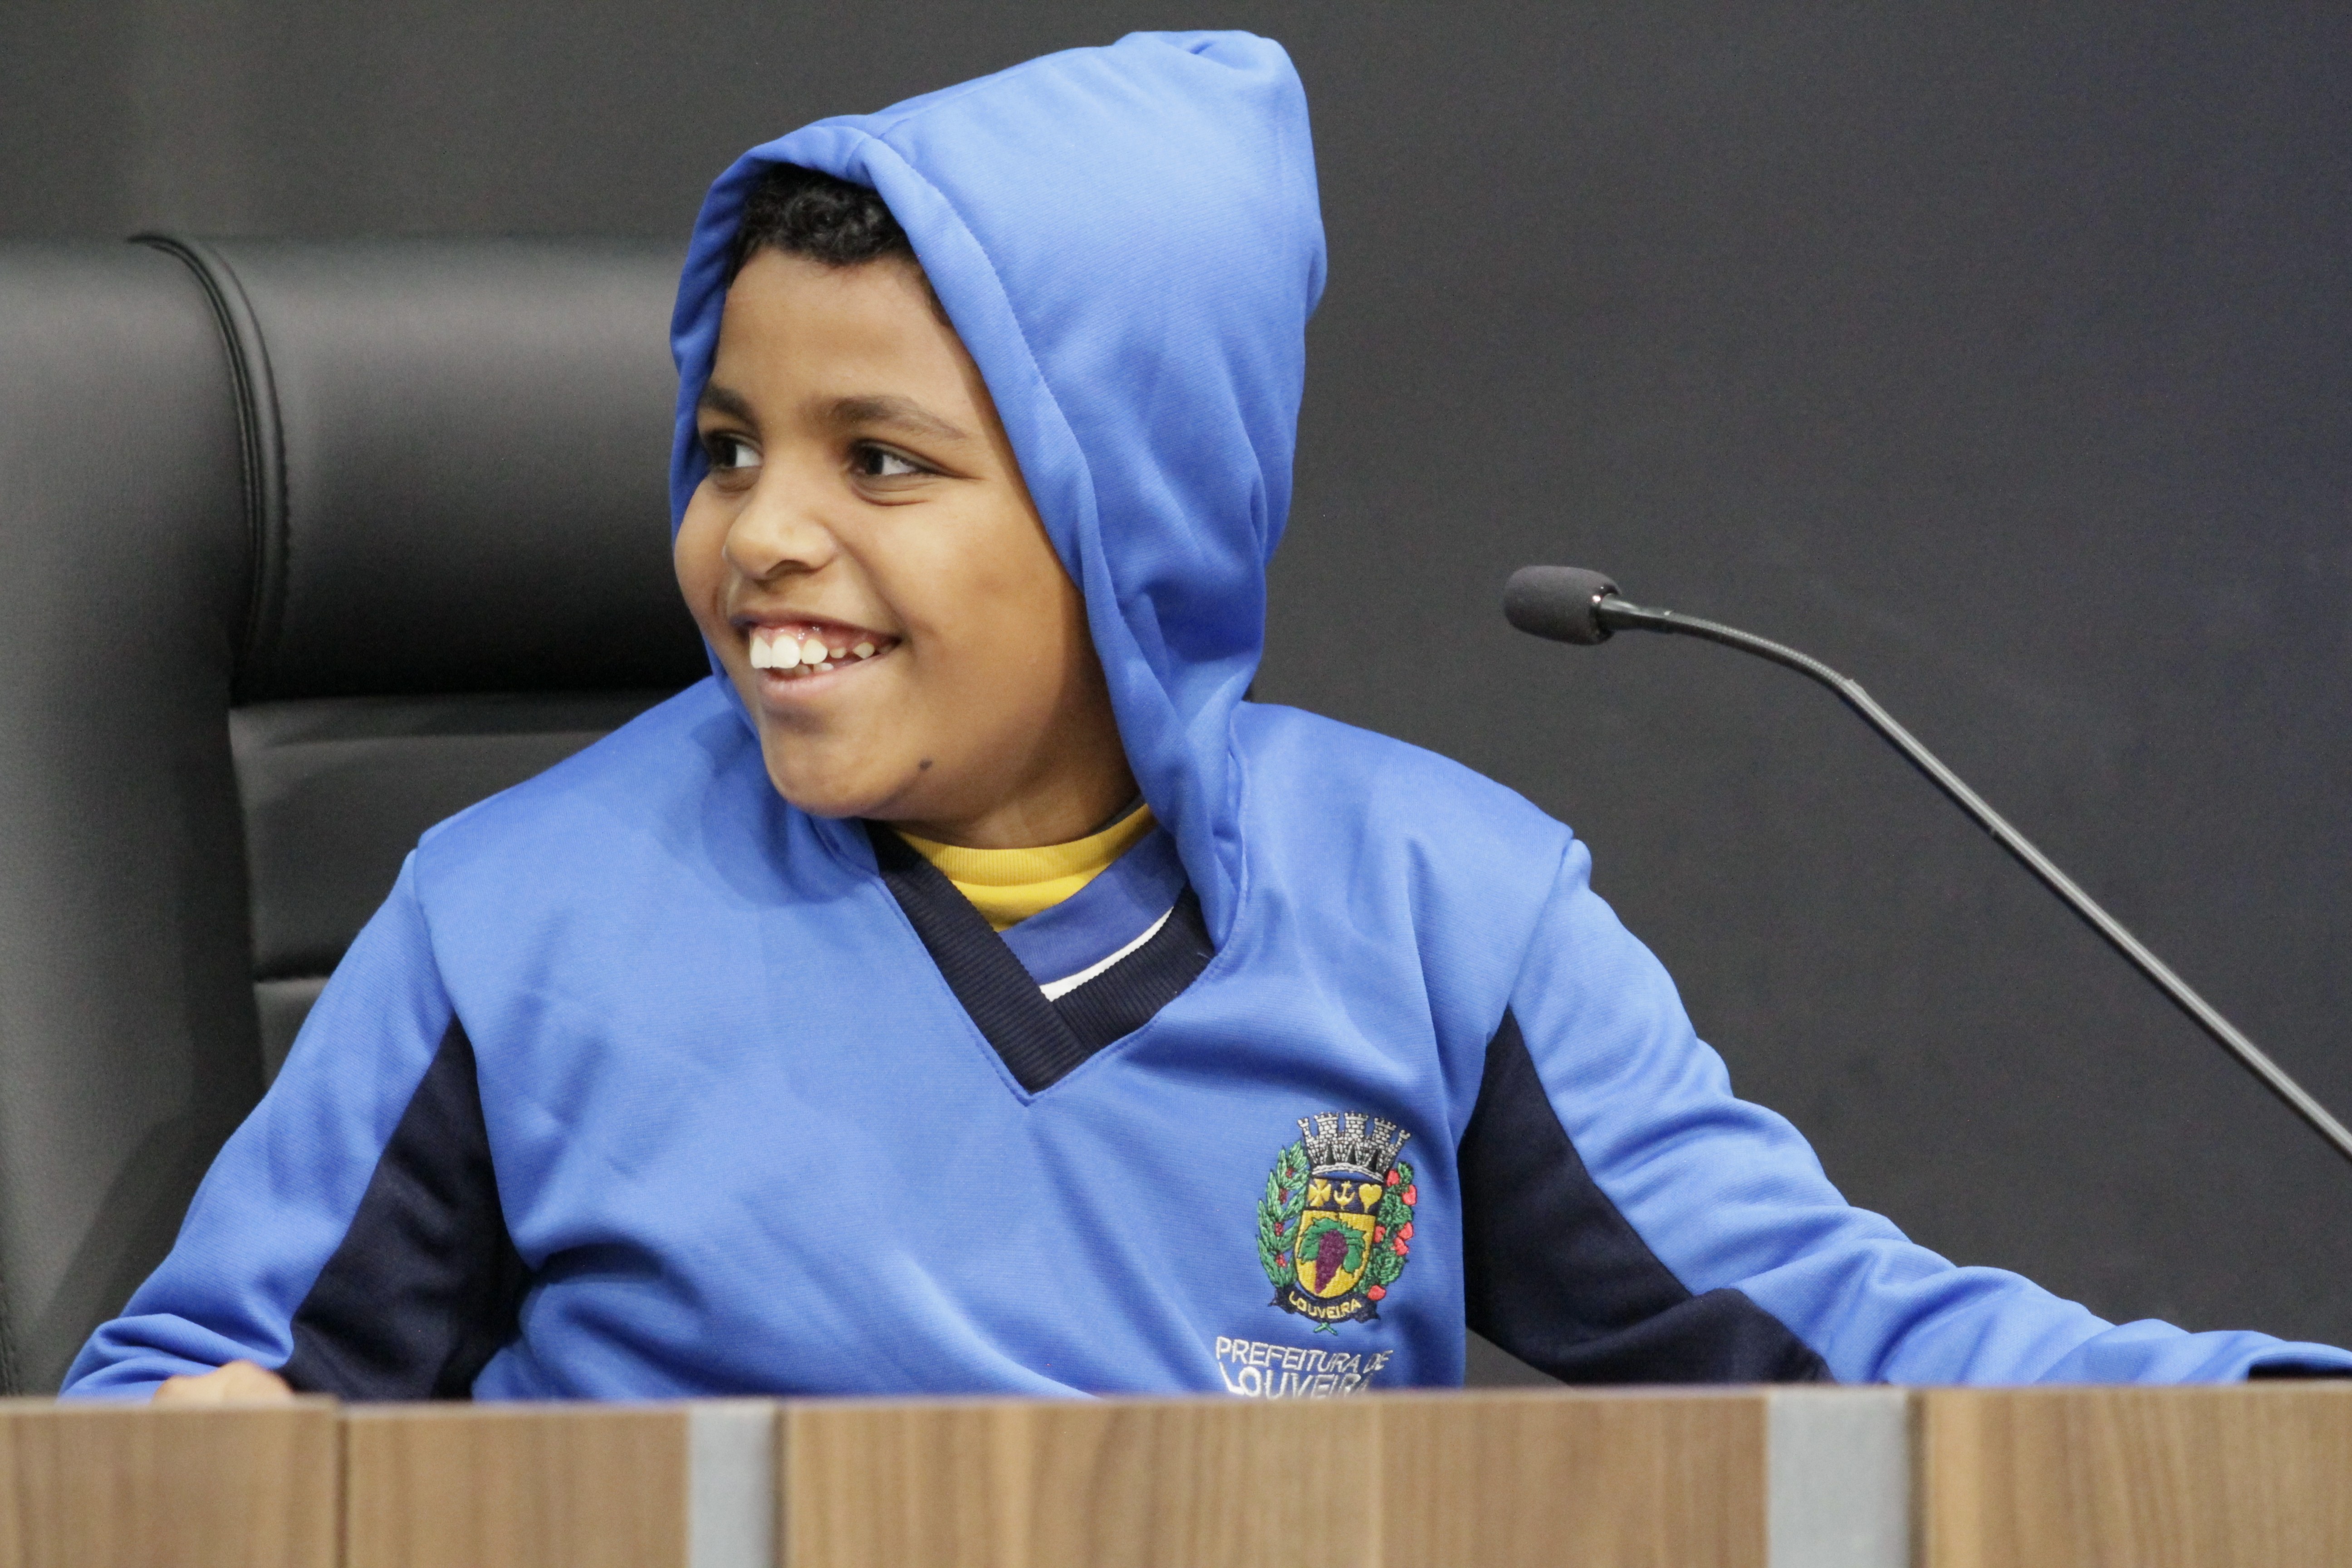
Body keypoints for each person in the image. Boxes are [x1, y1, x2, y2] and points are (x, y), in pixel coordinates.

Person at [64, 31, 2348, 1404]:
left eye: (885, 464)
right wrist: (223, 1458)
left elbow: (1835, 1333)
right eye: (726, 446)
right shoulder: (515, 922)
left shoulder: (1442, 913)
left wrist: (2276, 1410)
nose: (761, 534)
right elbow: (179, 1407)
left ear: (1127, 513)